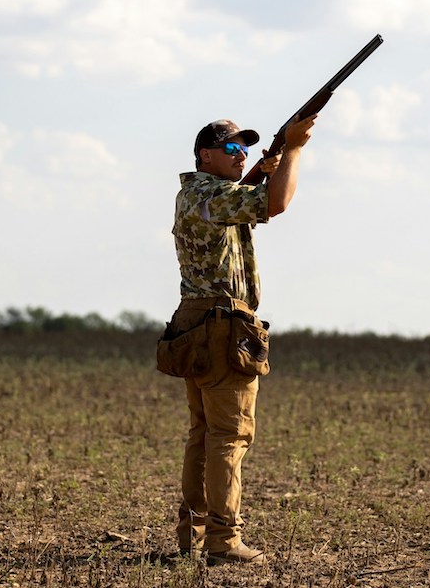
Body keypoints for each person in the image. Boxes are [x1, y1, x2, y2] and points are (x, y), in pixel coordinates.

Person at [165, 113, 316, 565]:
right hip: (222, 325)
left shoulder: (198, 194)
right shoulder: (209, 192)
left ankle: (191, 533)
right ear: (204, 156)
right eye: (231, 149)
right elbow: (276, 204)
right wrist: (293, 149)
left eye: (245, 149)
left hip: (195, 322)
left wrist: (259, 170)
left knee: (203, 434)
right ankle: (224, 540)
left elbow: (251, 200)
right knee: (230, 435)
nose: (241, 155)